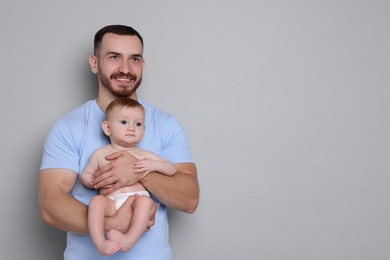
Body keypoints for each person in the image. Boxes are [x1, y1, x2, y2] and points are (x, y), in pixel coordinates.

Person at [38, 24, 199, 260]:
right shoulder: (68, 127)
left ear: (143, 65)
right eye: (114, 57)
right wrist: (113, 222)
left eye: (134, 59)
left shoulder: (167, 124)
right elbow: (50, 207)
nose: (125, 68)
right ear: (94, 63)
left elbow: (190, 199)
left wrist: (137, 171)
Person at [81, 97, 178, 256]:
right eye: (124, 122)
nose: (132, 128)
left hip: (136, 200)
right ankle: (100, 242)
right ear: (107, 128)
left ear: (144, 130)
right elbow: (86, 175)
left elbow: (171, 168)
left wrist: (153, 165)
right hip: (111, 202)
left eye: (138, 124)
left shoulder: (144, 155)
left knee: (145, 202)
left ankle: (129, 240)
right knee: (96, 202)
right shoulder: (100, 154)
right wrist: (92, 182)